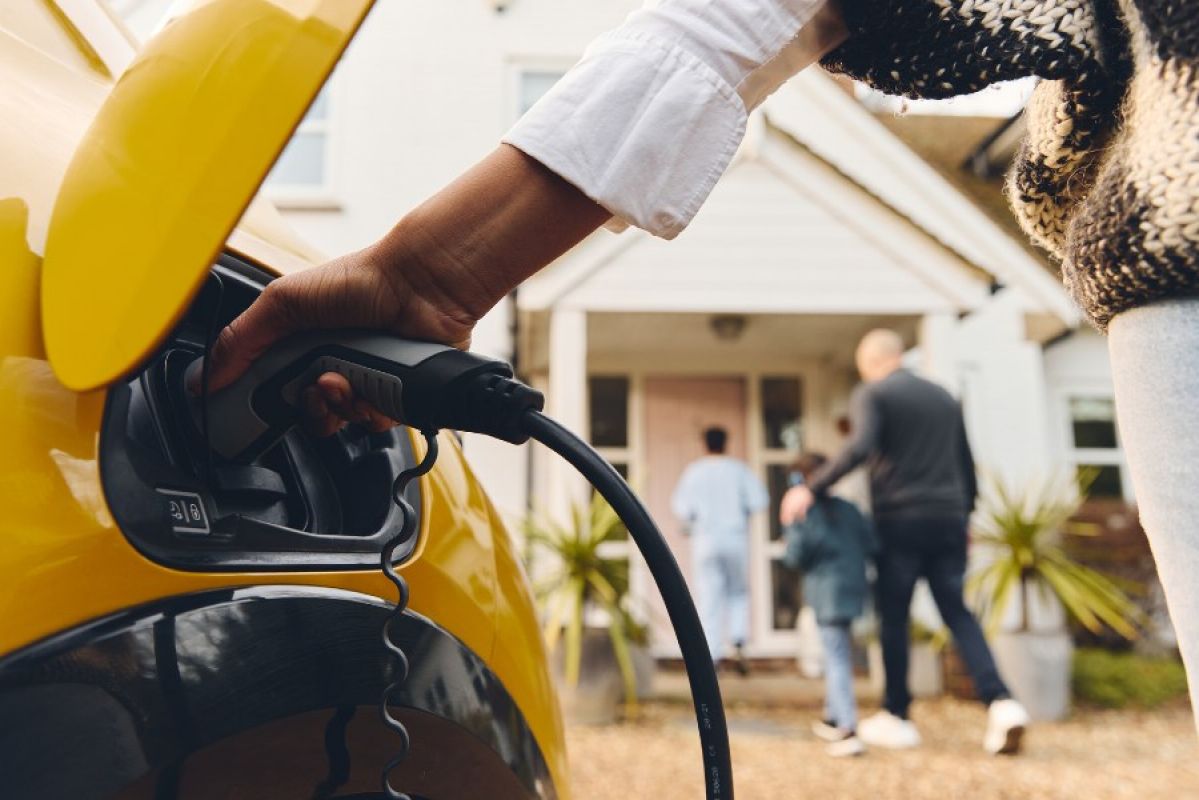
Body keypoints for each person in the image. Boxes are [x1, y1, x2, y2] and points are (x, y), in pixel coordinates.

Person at [200, 0, 1199, 729]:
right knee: (926, 608)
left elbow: (757, 16)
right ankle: (972, 699)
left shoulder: (874, 400)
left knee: (872, 609)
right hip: (969, 491)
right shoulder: (932, 392)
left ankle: (861, 699)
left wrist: (809, 488)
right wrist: (432, 275)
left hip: (1170, 237)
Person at [779, 329, 1029, 754]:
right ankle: (1002, 703)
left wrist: (811, 487)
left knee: (893, 615)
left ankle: (897, 715)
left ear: (870, 363)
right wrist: (965, 517)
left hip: (902, 519)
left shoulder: (874, 393)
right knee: (957, 611)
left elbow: (860, 446)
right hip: (950, 519)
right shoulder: (944, 396)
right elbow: (966, 464)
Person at [782, 452, 875, 758]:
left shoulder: (805, 513)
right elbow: (872, 544)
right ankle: (833, 715)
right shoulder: (849, 509)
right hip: (852, 587)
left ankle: (847, 726)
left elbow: (795, 556)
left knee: (836, 656)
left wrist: (789, 524)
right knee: (839, 650)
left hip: (827, 592)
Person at [671, 427, 769, 673]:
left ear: (704, 444)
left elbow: (681, 508)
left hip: (705, 540)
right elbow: (759, 500)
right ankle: (738, 643)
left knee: (709, 596)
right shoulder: (739, 470)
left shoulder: (694, 472)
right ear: (726, 443)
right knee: (738, 592)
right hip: (735, 538)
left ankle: (712, 657)